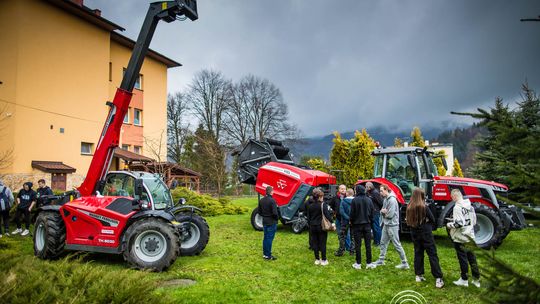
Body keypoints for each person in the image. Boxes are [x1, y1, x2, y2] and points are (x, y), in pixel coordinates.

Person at [406, 188, 444, 288]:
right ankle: (438, 278)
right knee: (432, 254)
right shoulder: (424, 207)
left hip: (414, 233)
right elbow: (433, 219)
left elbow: (408, 221)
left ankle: (418, 275)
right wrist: (426, 222)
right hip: (426, 233)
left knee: (418, 253)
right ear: (421, 196)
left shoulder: (409, 207)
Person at [447, 189, 480, 288]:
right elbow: (474, 221)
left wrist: (449, 224)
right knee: (472, 258)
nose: (452, 199)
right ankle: (476, 279)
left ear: (454, 196)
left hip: (461, 237)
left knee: (463, 259)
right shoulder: (470, 205)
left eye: (452, 197)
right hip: (470, 236)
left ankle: (464, 280)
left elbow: (459, 224)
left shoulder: (457, 207)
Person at [373, 184, 409, 269]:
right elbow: (383, 210)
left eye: (381, 191)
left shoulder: (392, 200)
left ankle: (405, 263)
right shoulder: (385, 199)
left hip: (392, 225)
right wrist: (383, 211)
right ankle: (381, 260)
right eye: (380, 191)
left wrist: (383, 212)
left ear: (386, 190)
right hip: (386, 224)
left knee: (396, 244)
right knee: (383, 242)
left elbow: (390, 214)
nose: (380, 193)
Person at [349, 184, 376, 270]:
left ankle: (358, 263)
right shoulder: (369, 200)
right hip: (367, 225)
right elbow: (372, 213)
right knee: (368, 245)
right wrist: (371, 223)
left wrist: (352, 222)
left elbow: (352, 213)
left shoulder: (354, 200)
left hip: (357, 225)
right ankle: (369, 263)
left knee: (358, 245)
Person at [306, 188, 334, 266]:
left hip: (312, 226)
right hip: (321, 226)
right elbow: (327, 215)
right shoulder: (323, 204)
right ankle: (324, 260)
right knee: (322, 243)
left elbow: (308, 217)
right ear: (319, 197)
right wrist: (332, 223)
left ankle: (317, 259)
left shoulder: (310, 206)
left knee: (315, 243)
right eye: (322, 196)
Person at [330, 185, 351, 255]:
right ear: (339, 189)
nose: (343, 190)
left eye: (344, 189)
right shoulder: (335, 198)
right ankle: (342, 247)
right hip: (338, 219)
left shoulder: (348, 197)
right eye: (341, 189)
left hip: (346, 219)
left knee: (347, 234)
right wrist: (335, 212)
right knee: (340, 234)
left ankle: (348, 247)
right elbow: (331, 205)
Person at [259, 186, 278, 260]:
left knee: (265, 238)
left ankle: (265, 254)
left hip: (265, 221)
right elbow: (275, 213)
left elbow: (259, 212)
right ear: (271, 192)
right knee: (269, 239)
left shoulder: (261, 200)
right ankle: (268, 255)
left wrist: (265, 215)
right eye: (273, 191)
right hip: (271, 222)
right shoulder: (272, 201)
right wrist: (276, 219)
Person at [336, 188, 354, 256]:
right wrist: (351, 219)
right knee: (353, 236)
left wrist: (348, 218)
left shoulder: (343, 201)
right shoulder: (355, 201)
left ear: (347, 193)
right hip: (353, 221)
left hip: (344, 221)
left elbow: (341, 212)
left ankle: (341, 251)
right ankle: (352, 251)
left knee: (342, 236)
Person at [366, 182, 383, 246]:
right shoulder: (369, 192)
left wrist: (377, 209)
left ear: (369, 187)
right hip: (371, 212)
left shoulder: (375, 193)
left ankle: (379, 242)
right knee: (373, 228)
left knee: (376, 227)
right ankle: (376, 241)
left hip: (375, 212)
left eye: (366, 187)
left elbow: (381, 202)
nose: (365, 188)